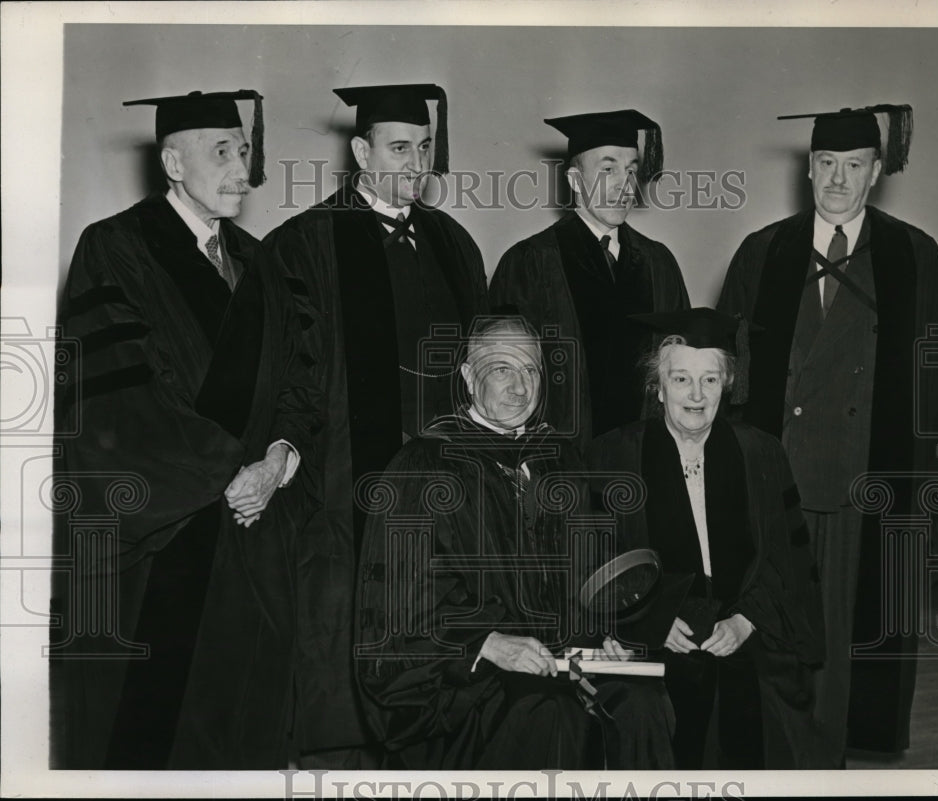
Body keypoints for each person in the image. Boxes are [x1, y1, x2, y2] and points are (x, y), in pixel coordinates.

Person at [50, 90, 322, 769]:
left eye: (244, 151)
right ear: (173, 161)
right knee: (157, 741)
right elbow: (121, 401)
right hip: (165, 534)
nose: (241, 168)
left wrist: (280, 458)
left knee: (246, 727)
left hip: (257, 531)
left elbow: (303, 379)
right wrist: (230, 469)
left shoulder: (265, 263)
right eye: (221, 152)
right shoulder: (115, 248)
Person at [716, 104, 938, 764]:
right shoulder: (764, 250)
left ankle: (833, 755)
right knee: (776, 622)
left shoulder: (913, 254)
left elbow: (936, 371)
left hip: (865, 479)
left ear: (877, 172)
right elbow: (727, 364)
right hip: (780, 476)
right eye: (825, 163)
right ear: (808, 168)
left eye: (852, 165)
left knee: (844, 630)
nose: (836, 178)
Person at [263, 83, 488, 766]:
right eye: (398, 148)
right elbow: (288, 380)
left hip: (443, 490)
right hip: (343, 488)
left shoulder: (454, 244)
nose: (415, 163)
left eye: (423, 148)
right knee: (345, 674)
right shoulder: (304, 243)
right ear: (361, 151)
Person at [354, 317, 676, 770]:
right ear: (468, 376)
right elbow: (398, 611)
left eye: (532, 371)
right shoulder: (424, 468)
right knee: (547, 711)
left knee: (643, 704)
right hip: (470, 686)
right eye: (502, 368)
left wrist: (605, 635)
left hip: (563, 665)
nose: (521, 387)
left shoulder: (561, 463)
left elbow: (589, 579)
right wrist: (487, 644)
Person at [587, 308, 826, 769]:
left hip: (746, 624)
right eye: (680, 380)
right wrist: (647, 617)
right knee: (647, 718)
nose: (696, 395)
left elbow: (788, 558)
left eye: (710, 380)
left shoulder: (761, 452)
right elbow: (593, 560)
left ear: (727, 385)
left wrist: (746, 621)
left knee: (782, 723)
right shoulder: (612, 455)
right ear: (657, 387)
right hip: (654, 637)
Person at [490, 109, 689, 450]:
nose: (624, 185)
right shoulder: (530, 262)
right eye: (607, 169)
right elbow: (499, 377)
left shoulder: (658, 263)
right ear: (574, 180)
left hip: (644, 462)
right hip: (558, 465)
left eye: (631, 170)